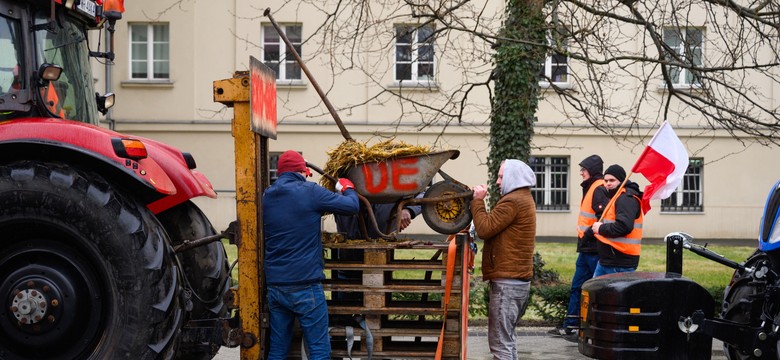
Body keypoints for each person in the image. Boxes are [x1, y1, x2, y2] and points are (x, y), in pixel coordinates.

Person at [262, 150, 360, 360]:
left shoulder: (267, 195)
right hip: (305, 286)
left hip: (276, 287)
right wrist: (348, 189)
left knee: (277, 349)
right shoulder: (310, 191)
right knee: (318, 349)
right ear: (302, 172)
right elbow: (352, 206)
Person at [470, 159, 536, 360]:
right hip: (515, 282)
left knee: (500, 346)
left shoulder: (512, 201)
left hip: (508, 284)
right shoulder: (522, 198)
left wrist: (478, 201)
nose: (498, 182)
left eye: (501, 177)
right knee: (507, 342)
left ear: (513, 177)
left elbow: (485, 229)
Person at [549, 155, 609, 339]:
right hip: (587, 248)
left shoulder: (598, 188)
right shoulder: (592, 187)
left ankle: (585, 327)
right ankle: (572, 325)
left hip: (593, 249)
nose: (581, 173)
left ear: (592, 170)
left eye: (584, 169)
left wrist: (589, 234)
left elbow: (603, 217)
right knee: (578, 287)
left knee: (589, 289)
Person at [332, 201, 421, 302]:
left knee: (378, 302)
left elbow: (425, 195)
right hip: (348, 264)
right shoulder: (342, 193)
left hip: (381, 265)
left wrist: (408, 210)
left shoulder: (392, 191)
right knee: (346, 304)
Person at [591, 164, 644, 277]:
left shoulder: (625, 198)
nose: (608, 183)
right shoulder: (617, 196)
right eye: (606, 181)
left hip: (619, 262)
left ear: (621, 181)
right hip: (609, 260)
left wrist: (600, 228)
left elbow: (624, 226)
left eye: (612, 180)